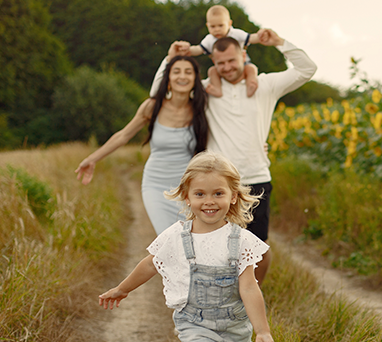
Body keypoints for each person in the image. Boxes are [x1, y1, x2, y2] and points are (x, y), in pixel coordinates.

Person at [98, 151, 277, 342]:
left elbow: (249, 287)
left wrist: (262, 331)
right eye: (200, 193)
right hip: (194, 321)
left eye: (218, 193)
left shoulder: (241, 240)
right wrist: (122, 288)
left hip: (233, 321)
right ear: (187, 197)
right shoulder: (175, 236)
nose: (209, 201)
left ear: (233, 196)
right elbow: (150, 264)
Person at [150, 28, 317, 285]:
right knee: (214, 250)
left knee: (258, 248)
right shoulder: (206, 90)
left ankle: (247, 300)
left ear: (243, 55)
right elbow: (161, 93)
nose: (227, 67)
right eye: (220, 64)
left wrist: (280, 43)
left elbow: (307, 69)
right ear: (213, 65)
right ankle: (209, 302)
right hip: (217, 185)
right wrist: (169, 59)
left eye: (231, 61)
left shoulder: (265, 85)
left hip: (257, 177)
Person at [76, 48, 208, 235]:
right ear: (168, 78)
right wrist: (92, 158)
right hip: (156, 185)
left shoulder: (203, 109)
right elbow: (123, 135)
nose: (182, 76)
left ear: (195, 79)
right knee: (168, 239)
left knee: (191, 241)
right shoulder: (152, 107)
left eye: (188, 72)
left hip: (190, 188)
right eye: (176, 71)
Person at [189, 4, 259, 98]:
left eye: (221, 25)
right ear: (207, 26)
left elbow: (250, 38)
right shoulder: (209, 39)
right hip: (220, 67)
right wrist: (188, 50)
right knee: (212, 71)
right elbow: (199, 49)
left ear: (229, 24)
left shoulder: (236, 33)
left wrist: (260, 37)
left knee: (251, 68)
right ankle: (217, 89)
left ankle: (251, 84)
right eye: (212, 27)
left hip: (243, 63)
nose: (217, 30)